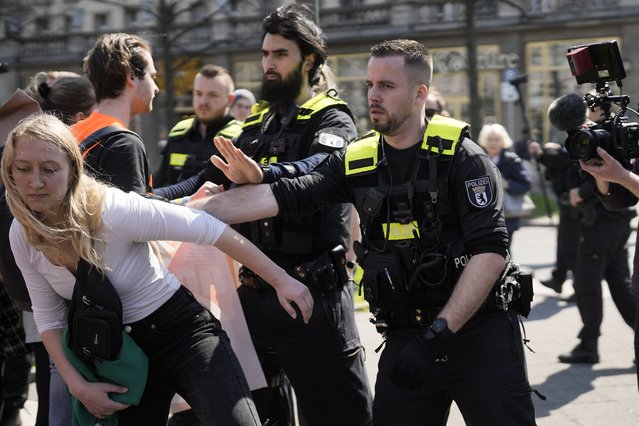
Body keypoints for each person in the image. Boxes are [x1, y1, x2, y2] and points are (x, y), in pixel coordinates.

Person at [197, 38, 536, 425]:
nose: (374, 96)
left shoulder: (465, 159)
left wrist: (438, 336)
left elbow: (490, 253)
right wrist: (186, 213)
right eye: (370, 85)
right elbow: (286, 195)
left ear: (420, 93)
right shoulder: (358, 159)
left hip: (478, 333)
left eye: (387, 86)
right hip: (408, 335)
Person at [2, 113, 314, 425]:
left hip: (183, 336)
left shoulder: (112, 209)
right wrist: (78, 385)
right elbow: (48, 316)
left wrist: (281, 280)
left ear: (72, 169)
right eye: (24, 168)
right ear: (10, 172)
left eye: (50, 169)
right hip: (122, 355)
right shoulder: (22, 233)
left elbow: (209, 228)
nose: (36, 182)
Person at [204, 4, 374, 426]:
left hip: (313, 295)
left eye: (279, 54)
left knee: (339, 416)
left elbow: (321, 169)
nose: (268, 64)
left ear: (309, 60)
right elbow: (203, 177)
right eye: (265, 54)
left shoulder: (333, 118)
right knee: (260, 416)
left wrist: (263, 173)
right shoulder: (259, 123)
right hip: (256, 296)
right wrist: (145, 200)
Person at [579, 146, 639, 387]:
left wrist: (621, 176)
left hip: (607, 229)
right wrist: (603, 176)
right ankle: (587, 343)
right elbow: (618, 198)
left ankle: (588, 343)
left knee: (589, 284)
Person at [154, 65, 242, 187]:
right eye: (198, 93)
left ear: (230, 99)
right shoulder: (179, 132)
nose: (203, 101)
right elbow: (161, 179)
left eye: (212, 95)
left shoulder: (241, 136)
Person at [478, 123, 531, 249]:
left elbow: (526, 184)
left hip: (506, 216)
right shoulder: (478, 159)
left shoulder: (511, 160)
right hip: (483, 215)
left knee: (503, 250)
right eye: (490, 139)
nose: (493, 143)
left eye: (497, 140)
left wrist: (507, 184)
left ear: (503, 141)